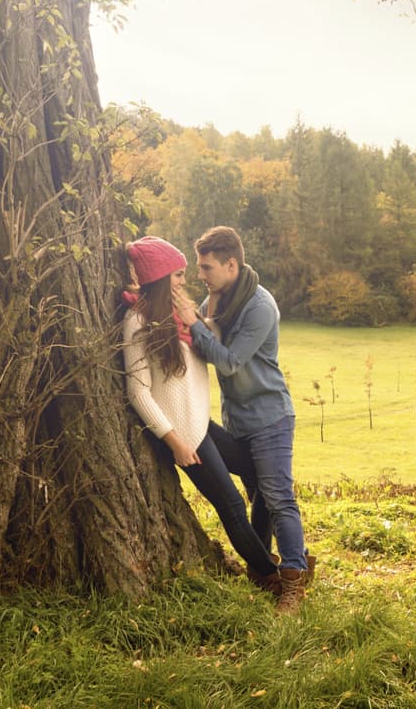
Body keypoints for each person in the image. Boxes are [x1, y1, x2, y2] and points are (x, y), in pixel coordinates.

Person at [121, 236, 282, 598]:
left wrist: (196, 319)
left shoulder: (181, 316)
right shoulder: (137, 321)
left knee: (262, 475)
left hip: (201, 424)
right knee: (231, 504)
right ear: (160, 278)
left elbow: (216, 347)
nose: (183, 281)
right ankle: (273, 576)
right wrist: (173, 441)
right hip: (182, 434)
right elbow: (138, 392)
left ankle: (260, 559)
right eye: (176, 275)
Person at [173, 226, 310, 614]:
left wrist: (196, 323)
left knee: (278, 498)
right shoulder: (217, 298)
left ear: (231, 264)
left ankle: (293, 585)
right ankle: (262, 568)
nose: (201, 275)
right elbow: (204, 339)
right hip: (237, 421)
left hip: (269, 419)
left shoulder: (259, 306)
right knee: (260, 497)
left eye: (207, 267)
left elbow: (230, 362)